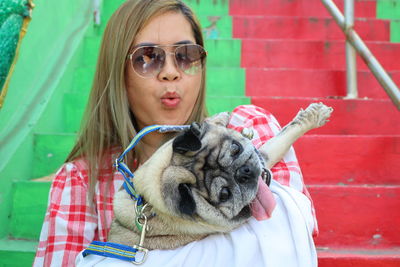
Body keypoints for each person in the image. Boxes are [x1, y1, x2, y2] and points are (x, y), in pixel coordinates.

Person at [34, 0, 318, 266]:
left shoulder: (251, 130)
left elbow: (286, 243)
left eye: (185, 55)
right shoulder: (82, 181)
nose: (171, 72)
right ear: (117, 72)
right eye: (147, 57)